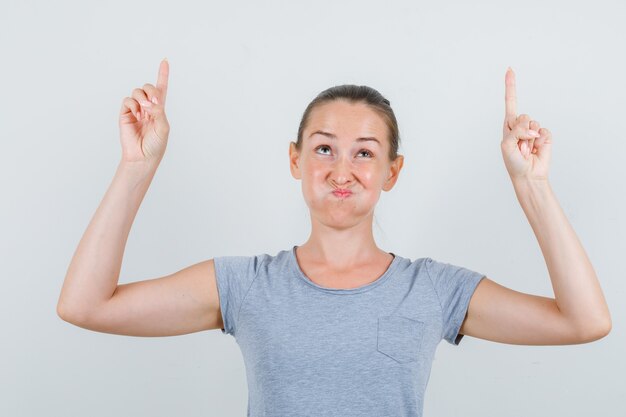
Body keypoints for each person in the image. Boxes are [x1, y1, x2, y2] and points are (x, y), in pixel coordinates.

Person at [57, 58, 612, 416]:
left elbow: (584, 321)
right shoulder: (246, 286)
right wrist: (137, 167)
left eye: (364, 152)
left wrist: (532, 185)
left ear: (392, 172)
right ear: (295, 160)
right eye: (324, 148)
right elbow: (85, 305)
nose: (341, 170)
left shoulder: (433, 291)